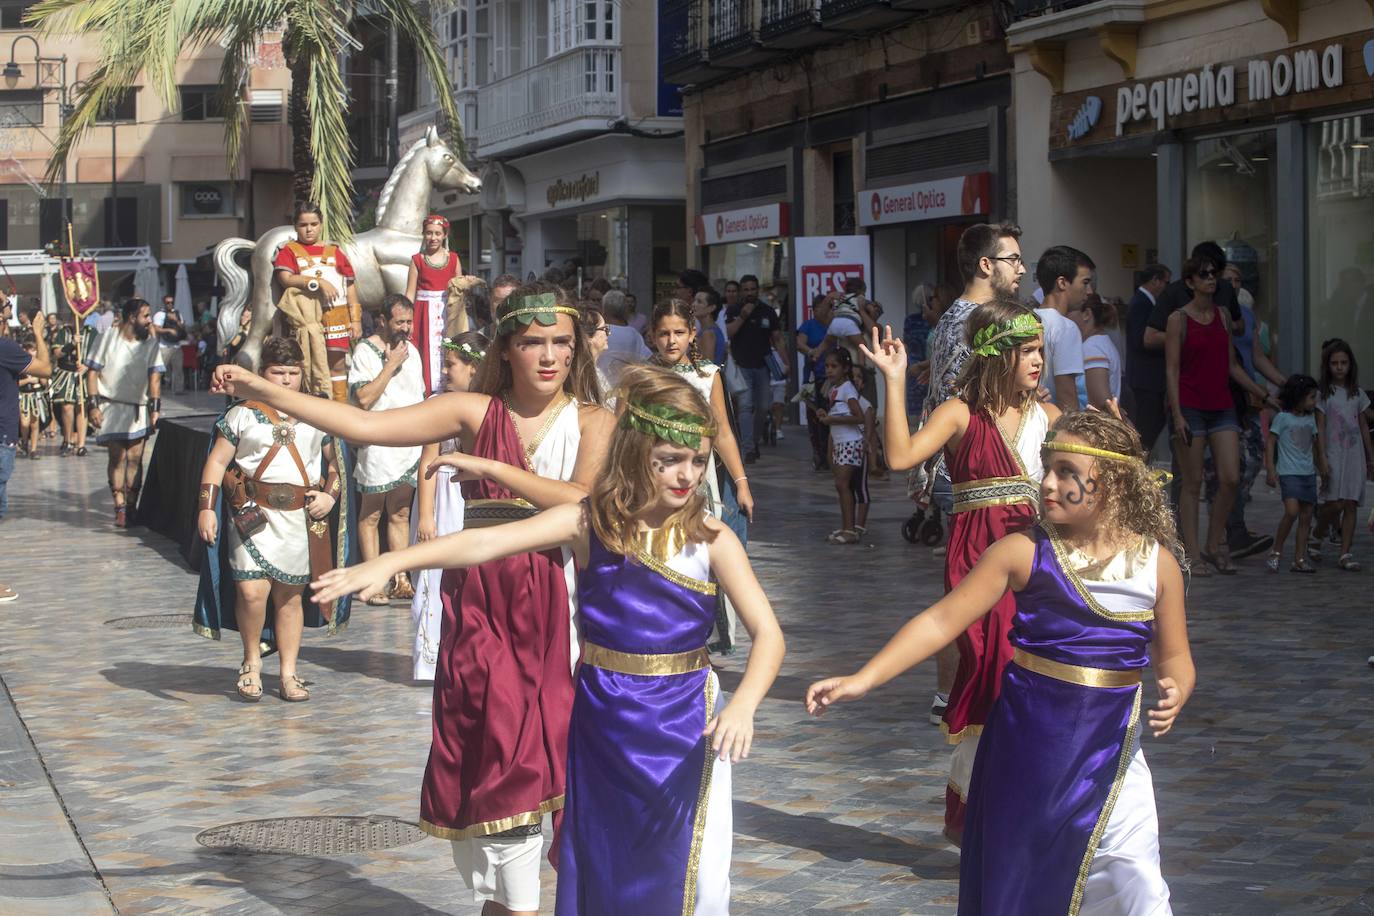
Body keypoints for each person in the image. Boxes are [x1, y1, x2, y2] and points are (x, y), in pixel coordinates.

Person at [312, 364, 784, 916]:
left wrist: (744, 706)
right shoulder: (591, 524)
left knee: (689, 865)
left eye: (699, 461)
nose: (687, 475)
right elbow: (483, 545)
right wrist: (393, 561)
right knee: (603, 856)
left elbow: (769, 636)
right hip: (602, 716)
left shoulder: (713, 538)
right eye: (670, 461)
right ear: (636, 455)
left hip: (687, 722)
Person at [213, 283, 613, 916]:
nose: (548, 356)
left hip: (559, 603)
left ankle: (519, 903)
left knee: (551, 759)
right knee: (495, 753)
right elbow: (365, 425)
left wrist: (498, 472)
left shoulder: (595, 420)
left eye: (560, 342)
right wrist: (266, 391)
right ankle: (507, 902)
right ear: (506, 348)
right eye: (532, 342)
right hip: (482, 603)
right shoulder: (472, 411)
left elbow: (581, 502)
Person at [807, 411, 1193, 915]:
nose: (1047, 483)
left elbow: (1177, 656)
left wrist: (1177, 687)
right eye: (1046, 468)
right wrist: (864, 678)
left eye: (1065, 472)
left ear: (1113, 483)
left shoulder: (1156, 565)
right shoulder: (1021, 553)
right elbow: (940, 622)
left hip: (1113, 757)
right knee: (1021, 882)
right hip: (1025, 753)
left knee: (1134, 879)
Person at [866, 301, 1057, 844]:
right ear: (998, 355)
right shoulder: (960, 412)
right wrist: (895, 381)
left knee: (1026, 674)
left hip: (1037, 558)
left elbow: (1092, 474)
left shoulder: (1050, 416)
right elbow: (901, 456)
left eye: (1041, 349)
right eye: (1027, 351)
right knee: (992, 669)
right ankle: (980, 810)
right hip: (977, 553)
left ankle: (1016, 805)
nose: (1039, 361)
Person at [194, 336, 348, 701]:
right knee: (251, 590)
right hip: (251, 514)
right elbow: (217, 462)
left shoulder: (316, 412)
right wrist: (205, 507)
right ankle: (251, 661)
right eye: (278, 372)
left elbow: (335, 464)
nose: (286, 380)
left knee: (289, 598)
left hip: (297, 518)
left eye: (293, 372)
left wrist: (330, 494)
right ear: (263, 373)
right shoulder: (242, 413)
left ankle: (289, 672)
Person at [919, 223, 1026, 726]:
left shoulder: (951, 318)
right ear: (987, 265)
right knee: (978, 594)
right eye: (1013, 260)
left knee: (968, 592)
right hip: (970, 464)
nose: (1020, 270)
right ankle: (972, 692)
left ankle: (953, 691)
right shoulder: (975, 321)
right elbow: (964, 398)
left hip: (958, 462)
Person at [651, 299, 755, 656]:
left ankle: (698, 637)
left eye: (679, 332)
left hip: (700, 483)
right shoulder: (643, 376)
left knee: (698, 558)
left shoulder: (707, 375)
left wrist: (741, 484)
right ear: (652, 336)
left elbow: (722, 432)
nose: (671, 340)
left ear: (692, 333)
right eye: (663, 333)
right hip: (651, 481)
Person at [1164, 257, 1273, 576]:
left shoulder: (1223, 316)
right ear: (1190, 282)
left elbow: (1232, 366)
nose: (1211, 279)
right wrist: (1178, 413)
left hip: (1221, 403)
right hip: (1190, 405)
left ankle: (1213, 544)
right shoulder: (1178, 319)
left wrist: (1262, 394)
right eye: (1204, 274)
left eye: (1214, 275)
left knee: (1230, 478)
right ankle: (1193, 555)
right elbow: (1171, 370)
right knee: (1192, 482)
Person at [410, 330, 488, 681]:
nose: (445, 371)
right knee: (438, 570)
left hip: (474, 494)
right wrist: (426, 515)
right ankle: (432, 656)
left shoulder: (491, 402)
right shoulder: (440, 404)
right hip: (444, 495)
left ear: (473, 368)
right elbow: (427, 461)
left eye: (451, 365)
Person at [349, 295, 425, 604]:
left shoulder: (414, 351)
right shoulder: (365, 352)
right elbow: (364, 398)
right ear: (383, 321)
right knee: (372, 512)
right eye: (400, 322)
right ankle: (372, 580)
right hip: (378, 440)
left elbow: (417, 395)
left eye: (409, 322)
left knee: (400, 512)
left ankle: (400, 577)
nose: (406, 328)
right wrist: (391, 365)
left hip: (408, 441)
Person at [272, 201, 363, 400]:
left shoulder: (335, 252)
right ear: (295, 226)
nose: (309, 229)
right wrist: (317, 282)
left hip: (336, 317)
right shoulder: (288, 251)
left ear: (321, 224)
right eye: (303, 225)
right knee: (307, 365)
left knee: (337, 365)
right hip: (307, 319)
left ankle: (339, 413)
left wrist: (355, 320)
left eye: (313, 224)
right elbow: (285, 279)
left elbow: (350, 287)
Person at [86, 299, 164, 528]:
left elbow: (155, 377)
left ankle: (132, 505)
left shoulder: (149, 343)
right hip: (112, 406)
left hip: (138, 408)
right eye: (145, 315)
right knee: (117, 458)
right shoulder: (108, 338)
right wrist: (93, 405)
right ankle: (119, 503)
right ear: (132, 317)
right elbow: (92, 373)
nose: (149, 320)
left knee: (135, 458)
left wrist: (155, 409)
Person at [0, 308, 50, 601]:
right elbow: (44, 368)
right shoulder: (4, 348)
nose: (9, 312)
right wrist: (38, 333)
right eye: (5, 308)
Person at [1313, 340, 1373, 571]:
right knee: (1334, 503)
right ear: (1327, 366)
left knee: (1350, 503)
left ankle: (1345, 552)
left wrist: (1371, 456)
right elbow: (1320, 427)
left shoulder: (1357, 394)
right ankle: (1317, 534)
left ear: (1351, 365)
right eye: (1335, 363)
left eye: (1344, 363)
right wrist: (1322, 458)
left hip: (1354, 454)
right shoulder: (1323, 394)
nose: (1339, 367)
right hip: (1334, 453)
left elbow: (1364, 426)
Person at [1264, 375, 1329, 575]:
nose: (1314, 401)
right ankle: (1276, 552)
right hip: (1289, 473)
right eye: (1311, 397)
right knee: (1291, 512)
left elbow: (1317, 445)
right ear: (1298, 398)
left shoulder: (1311, 419)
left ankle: (1299, 559)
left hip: (1308, 473)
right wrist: (1270, 469)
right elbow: (1271, 442)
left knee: (1306, 517)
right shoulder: (1283, 418)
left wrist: (1323, 467)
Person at [812, 347, 869, 545]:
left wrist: (832, 420)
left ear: (845, 368)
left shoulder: (847, 389)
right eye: (827, 366)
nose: (829, 370)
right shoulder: (836, 388)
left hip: (849, 442)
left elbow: (858, 416)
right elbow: (840, 413)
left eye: (834, 366)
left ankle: (850, 529)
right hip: (840, 441)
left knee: (842, 485)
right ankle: (847, 526)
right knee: (842, 486)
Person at [725, 275, 784, 464]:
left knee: (764, 406)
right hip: (742, 367)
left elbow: (777, 338)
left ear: (757, 290)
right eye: (746, 289)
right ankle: (748, 448)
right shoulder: (734, 309)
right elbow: (730, 332)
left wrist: (786, 362)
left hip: (763, 366)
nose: (749, 293)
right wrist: (743, 315)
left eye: (753, 289)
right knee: (745, 406)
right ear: (742, 291)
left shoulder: (767, 311)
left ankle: (755, 440)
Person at [405, 215, 465, 397]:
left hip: (447, 311)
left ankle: (448, 389)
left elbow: (459, 290)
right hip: (423, 314)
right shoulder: (417, 260)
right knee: (423, 352)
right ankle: (425, 392)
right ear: (423, 234)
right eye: (429, 233)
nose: (433, 238)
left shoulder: (453, 259)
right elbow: (410, 293)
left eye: (438, 233)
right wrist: (408, 321)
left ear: (444, 235)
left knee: (449, 349)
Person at [1034, 246, 1092, 411]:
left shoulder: (1027, 319)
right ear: (1062, 283)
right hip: (1056, 429)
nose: (1089, 291)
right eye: (1085, 283)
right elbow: (1067, 398)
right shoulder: (1065, 328)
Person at [1126, 264, 1173, 457]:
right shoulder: (1142, 303)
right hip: (1147, 378)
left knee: (1149, 428)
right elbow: (1140, 340)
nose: (1166, 287)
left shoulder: (1144, 302)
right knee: (1146, 430)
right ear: (1155, 280)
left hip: (1148, 378)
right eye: (1166, 282)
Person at [51, 317, 96, 457]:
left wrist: (87, 365)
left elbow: (98, 353)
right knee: (67, 406)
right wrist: (71, 344)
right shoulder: (63, 332)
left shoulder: (92, 332)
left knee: (82, 408)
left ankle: (81, 444)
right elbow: (57, 353)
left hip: (83, 373)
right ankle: (67, 440)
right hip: (66, 372)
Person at [1072, 294, 1122, 411]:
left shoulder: (1092, 348)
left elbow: (1101, 402)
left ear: (1087, 314)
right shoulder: (1101, 343)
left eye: (1070, 311)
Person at [597, 289, 651, 386]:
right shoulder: (633, 334)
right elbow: (647, 360)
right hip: (626, 391)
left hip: (599, 388)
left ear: (603, 310)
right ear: (625, 310)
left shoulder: (598, 332)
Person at [17, 343, 48, 459]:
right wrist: (28, 381)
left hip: (36, 395)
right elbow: (16, 383)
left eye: (33, 350)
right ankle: (25, 443)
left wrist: (42, 374)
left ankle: (34, 449)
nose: (31, 352)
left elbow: (44, 382)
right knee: (24, 423)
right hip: (23, 395)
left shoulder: (38, 364)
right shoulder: (20, 365)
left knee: (35, 423)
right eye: (28, 349)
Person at [153, 295, 188, 394]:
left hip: (176, 345)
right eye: (168, 302)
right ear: (164, 303)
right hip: (165, 346)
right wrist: (169, 330)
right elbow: (156, 328)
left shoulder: (177, 313)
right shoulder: (160, 314)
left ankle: (179, 389)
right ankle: (155, 388)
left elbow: (182, 326)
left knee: (178, 369)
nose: (170, 304)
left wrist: (175, 320)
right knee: (160, 369)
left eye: (171, 302)